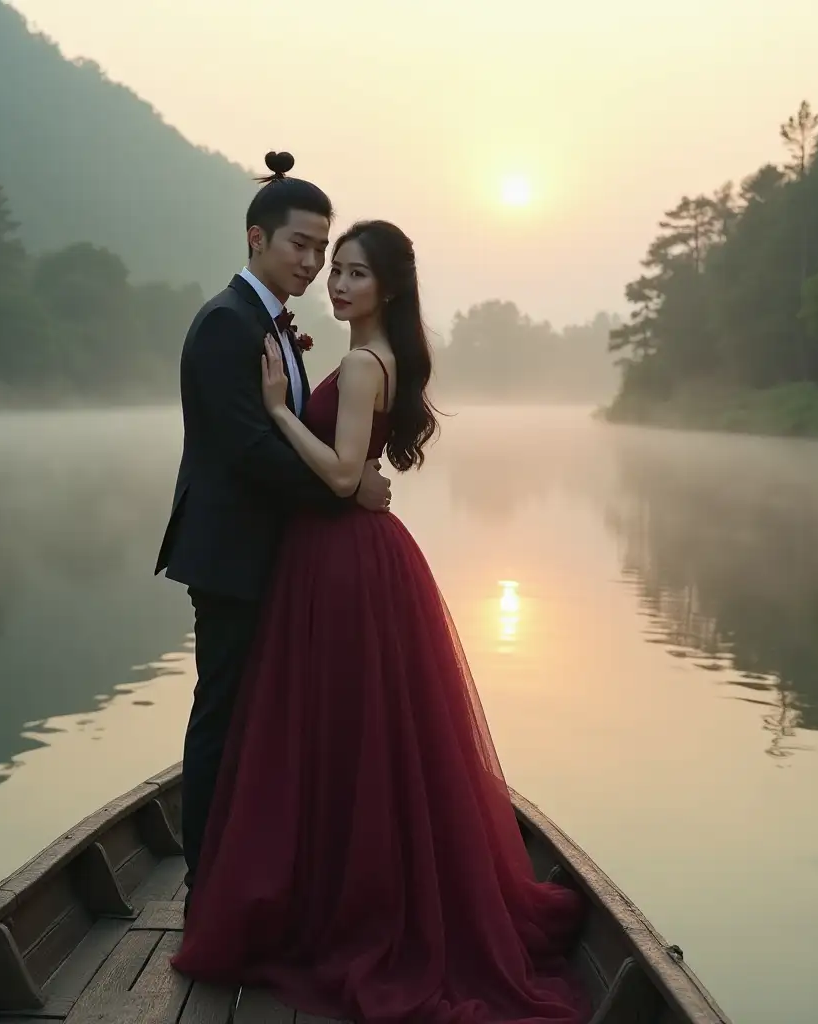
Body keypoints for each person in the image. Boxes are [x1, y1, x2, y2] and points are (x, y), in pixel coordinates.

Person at [170, 215, 591, 1024]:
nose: (337, 282)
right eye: (334, 268)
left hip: (343, 562)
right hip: (348, 558)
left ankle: (338, 898)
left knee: (340, 730)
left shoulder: (364, 364)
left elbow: (335, 475)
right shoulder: (369, 357)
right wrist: (344, 464)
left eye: (356, 273)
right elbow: (352, 472)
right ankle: (339, 882)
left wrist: (275, 409)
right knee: (359, 732)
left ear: (388, 289)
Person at [154, 151, 391, 919]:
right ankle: (204, 887)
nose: (313, 261)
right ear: (256, 238)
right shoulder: (227, 324)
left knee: (264, 717)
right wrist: (347, 493)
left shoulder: (271, 323)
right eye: (301, 245)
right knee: (222, 715)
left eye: (323, 249)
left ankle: (258, 870)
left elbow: (282, 434)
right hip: (230, 558)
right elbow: (248, 449)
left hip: (272, 556)